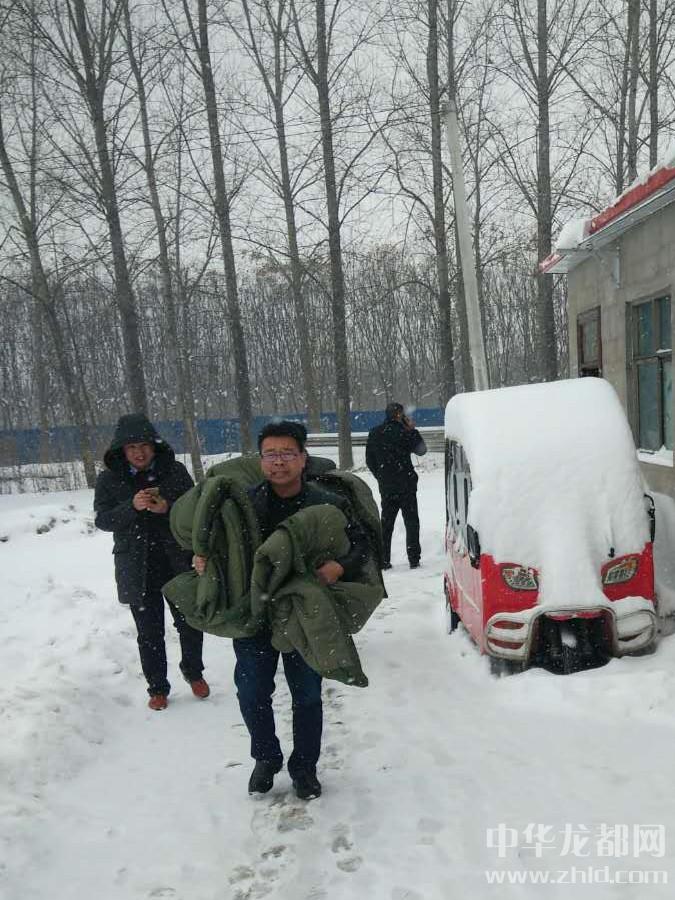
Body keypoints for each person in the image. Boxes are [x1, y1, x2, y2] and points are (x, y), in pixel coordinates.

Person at [194, 421, 369, 800]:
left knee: (307, 694)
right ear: (260, 460)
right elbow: (219, 550)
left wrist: (340, 567)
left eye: (287, 453)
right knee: (251, 691)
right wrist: (202, 561)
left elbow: (361, 546)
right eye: (270, 454)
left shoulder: (327, 502)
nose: (278, 462)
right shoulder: (242, 507)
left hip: (305, 613)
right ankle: (266, 758)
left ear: (303, 458)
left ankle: (304, 769)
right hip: (255, 612)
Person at [94, 413, 209, 711]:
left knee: (190, 622)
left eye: (144, 445)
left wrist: (167, 508)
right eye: (132, 447)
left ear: (154, 446)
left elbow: (196, 511)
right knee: (149, 632)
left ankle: (194, 672)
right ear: (122, 450)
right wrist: (131, 507)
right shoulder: (109, 479)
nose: (139, 452)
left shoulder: (175, 471)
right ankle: (157, 688)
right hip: (136, 567)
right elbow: (103, 520)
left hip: (177, 562)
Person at [366, 402, 427, 569]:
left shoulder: (375, 433)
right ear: (400, 415)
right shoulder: (405, 432)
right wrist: (412, 430)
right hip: (407, 484)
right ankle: (413, 558)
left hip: (387, 487)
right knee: (411, 522)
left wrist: (381, 476)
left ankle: (384, 559)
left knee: (386, 524)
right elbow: (421, 450)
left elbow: (370, 460)